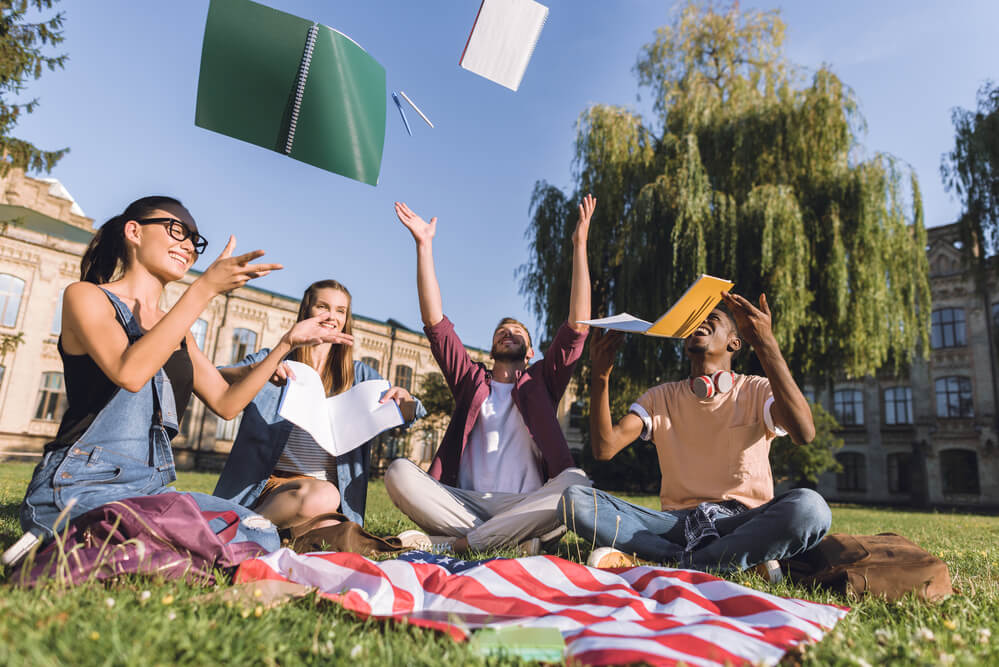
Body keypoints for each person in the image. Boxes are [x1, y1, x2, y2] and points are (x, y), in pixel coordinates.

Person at [10, 196, 342, 565]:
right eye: (176, 230)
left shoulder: (180, 331)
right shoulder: (87, 296)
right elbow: (130, 373)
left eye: (195, 241)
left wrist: (285, 345)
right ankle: (74, 537)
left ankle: (115, 546)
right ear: (133, 231)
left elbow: (227, 403)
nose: (188, 246)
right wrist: (203, 290)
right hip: (79, 485)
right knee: (184, 530)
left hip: (146, 490)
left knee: (257, 529)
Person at [562, 292, 831, 578]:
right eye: (693, 322)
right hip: (674, 525)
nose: (700, 322)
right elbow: (605, 448)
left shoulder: (757, 389)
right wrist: (601, 376)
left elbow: (804, 433)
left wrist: (766, 343)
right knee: (573, 500)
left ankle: (666, 562)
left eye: (712, 318)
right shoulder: (660, 397)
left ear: (734, 342)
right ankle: (732, 560)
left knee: (811, 508)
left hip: (742, 520)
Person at [384, 197, 596, 554]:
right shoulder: (470, 379)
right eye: (502, 329)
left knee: (575, 483)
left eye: (517, 331)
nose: (508, 332)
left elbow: (577, 327)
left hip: (525, 505)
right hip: (462, 504)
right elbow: (436, 324)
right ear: (491, 345)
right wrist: (424, 245)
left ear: (530, 352)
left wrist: (579, 245)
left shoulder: (542, 382)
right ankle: (508, 541)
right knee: (398, 473)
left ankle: (459, 544)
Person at [213, 279, 426, 530]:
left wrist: (406, 401)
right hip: (269, 485)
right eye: (322, 307)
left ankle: (262, 530)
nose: (331, 317)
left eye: (340, 310)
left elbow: (413, 413)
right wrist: (260, 370)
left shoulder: (360, 376)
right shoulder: (276, 360)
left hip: (322, 496)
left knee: (328, 519)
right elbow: (217, 376)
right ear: (306, 311)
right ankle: (234, 530)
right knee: (324, 498)